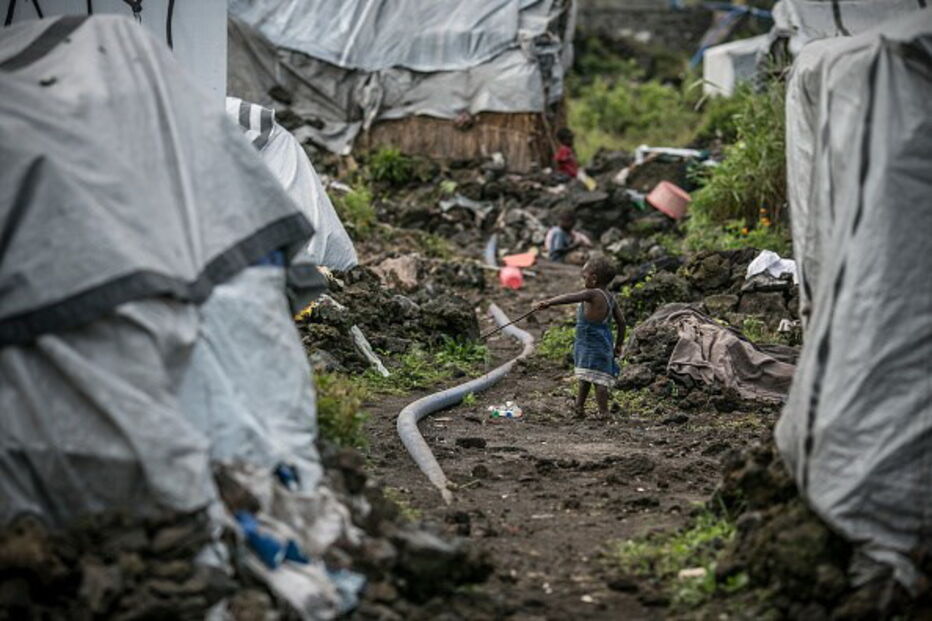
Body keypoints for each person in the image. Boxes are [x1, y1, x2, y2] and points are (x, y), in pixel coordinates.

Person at [533, 256, 625, 418]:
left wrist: (549, 302)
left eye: (584, 277)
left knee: (595, 380)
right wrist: (618, 345)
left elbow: (570, 297)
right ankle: (579, 407)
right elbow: (622, 322)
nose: (583, 280)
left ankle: (603, 412)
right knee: (591, 376)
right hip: (603, 343)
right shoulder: (611, 298)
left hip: (590, 344)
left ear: (594, 278)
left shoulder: (593, 294)